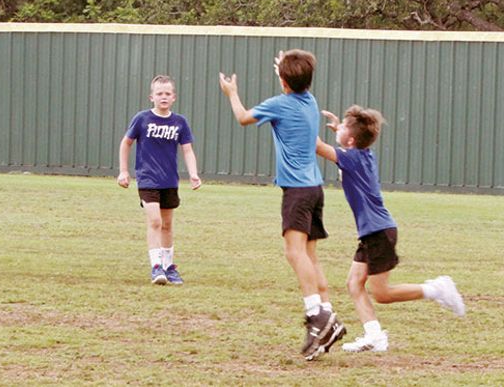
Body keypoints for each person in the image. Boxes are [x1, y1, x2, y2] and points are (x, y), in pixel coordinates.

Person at [218, 49, 344, 361]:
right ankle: (328, 315)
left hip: (297, 191)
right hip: (315, 188)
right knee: (310, 255)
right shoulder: (310, 102)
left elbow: (243, 117)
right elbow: (295, 82)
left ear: (284, 81)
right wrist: (286, 70)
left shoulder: (279, 104)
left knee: (294, 252)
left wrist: (231, 93)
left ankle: (316, 315)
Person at [315, 106, 465, 353]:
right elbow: (343, 146)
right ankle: (374, 336)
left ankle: (437, 289)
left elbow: (318, 147)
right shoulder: (362, 153)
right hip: (373, 232)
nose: (337, 128)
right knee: (354, 283)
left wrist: (302, 115)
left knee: (382, 293)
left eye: (342, 127)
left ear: (351, 140)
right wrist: (340, 132)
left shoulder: (352, 158)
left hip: (378, 232)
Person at [117, 75, 202, 285]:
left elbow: (188, 150)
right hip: (147, 179)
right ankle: (156, 267)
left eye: (167, 93)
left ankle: (169, 266)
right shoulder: (142, 119)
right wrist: (123, 171)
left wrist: (193, 173)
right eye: (159, 93)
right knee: (154, 221)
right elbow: (126, 143)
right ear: (151, 97)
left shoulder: (180, 122)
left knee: (167, 224)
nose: (163, 97)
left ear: (173, 97)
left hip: (169, 180)